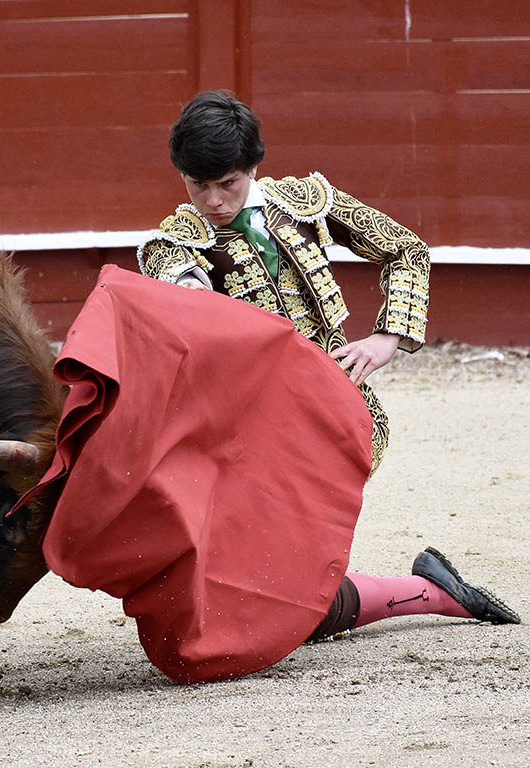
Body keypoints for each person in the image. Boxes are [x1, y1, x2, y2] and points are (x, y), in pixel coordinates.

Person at [136, 90, 519, 641]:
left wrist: (388, 337)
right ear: (182, 177)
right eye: (200, 185)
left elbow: (406, 248)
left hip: (344, 407)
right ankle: (426, 592)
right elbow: (187, 302)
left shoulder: (304, 202)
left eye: (229, 183)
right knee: (280, 579)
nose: (215, 201)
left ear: (254, 168)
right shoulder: (172, 245)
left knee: (288, 576)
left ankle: (397, 593)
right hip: (253, 430)